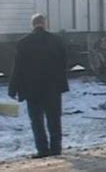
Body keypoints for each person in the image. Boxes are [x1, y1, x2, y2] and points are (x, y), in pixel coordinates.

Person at [8, 14, 69, 158]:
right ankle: (56, 148)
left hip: (32, 90)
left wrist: (13, 88)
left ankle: (42, 150)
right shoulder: (56, 40)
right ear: (44, 24)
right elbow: (64, 63)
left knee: (37, 121)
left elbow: (18, 68)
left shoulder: (23, 42)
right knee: (54, 119)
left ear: (32, 25)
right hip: (52, 88)